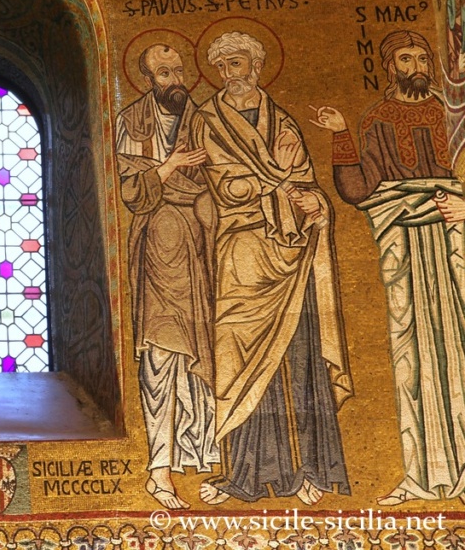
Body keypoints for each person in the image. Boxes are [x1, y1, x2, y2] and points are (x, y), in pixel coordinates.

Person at [190, 31, 353, 505]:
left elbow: (308, 183)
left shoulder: (282, 123)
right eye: (221, 67)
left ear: (256, 67)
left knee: (297, 356)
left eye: (236, 64)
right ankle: (244, 473)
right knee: (238, 355)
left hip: (291, 255)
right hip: (241, 253)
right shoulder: (207, 122)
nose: (228, 74)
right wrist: (280, 187)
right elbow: (225, 187)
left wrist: (313, 202)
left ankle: (307, 470)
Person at [311, 30, 465, 505]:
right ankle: (424, 474)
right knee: (412, 353)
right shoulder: (377, 118)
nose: (416, 65)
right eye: (406, 57)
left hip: (454, 237)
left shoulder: (454, 115)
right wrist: (341, 135)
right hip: (404, 242)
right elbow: (360, 190)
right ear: (389, 64)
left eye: (422, 57)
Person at [115, 43, 217, 510]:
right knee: (160, 357)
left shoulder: (206, 117)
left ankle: (204, 461)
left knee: (205, 355)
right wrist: (170, 166)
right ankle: (159, 472)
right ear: (147, 79)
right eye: (163, 73)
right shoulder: (132, 123)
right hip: (157, 248)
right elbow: (131, 192)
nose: (174, 80)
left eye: (178, 70)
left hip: (201, 248)